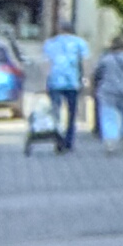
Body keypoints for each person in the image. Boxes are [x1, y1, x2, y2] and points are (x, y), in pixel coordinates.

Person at [38, 22, 87, 154]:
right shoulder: (80, 43)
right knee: (72, 113)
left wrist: (44, 82)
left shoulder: (50, 43)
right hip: (73, 82)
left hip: (55, 82)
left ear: (60, 30)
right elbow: (84, 62)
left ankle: (58, 139)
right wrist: (85, 79)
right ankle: (69, 141)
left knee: (56, 113)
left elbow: (46, 64)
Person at [91, 36, 123, 145]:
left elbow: (96, 75)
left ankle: (110, 139)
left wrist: (93, 89)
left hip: (108, 90)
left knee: (108, 114)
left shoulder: (105, 59)